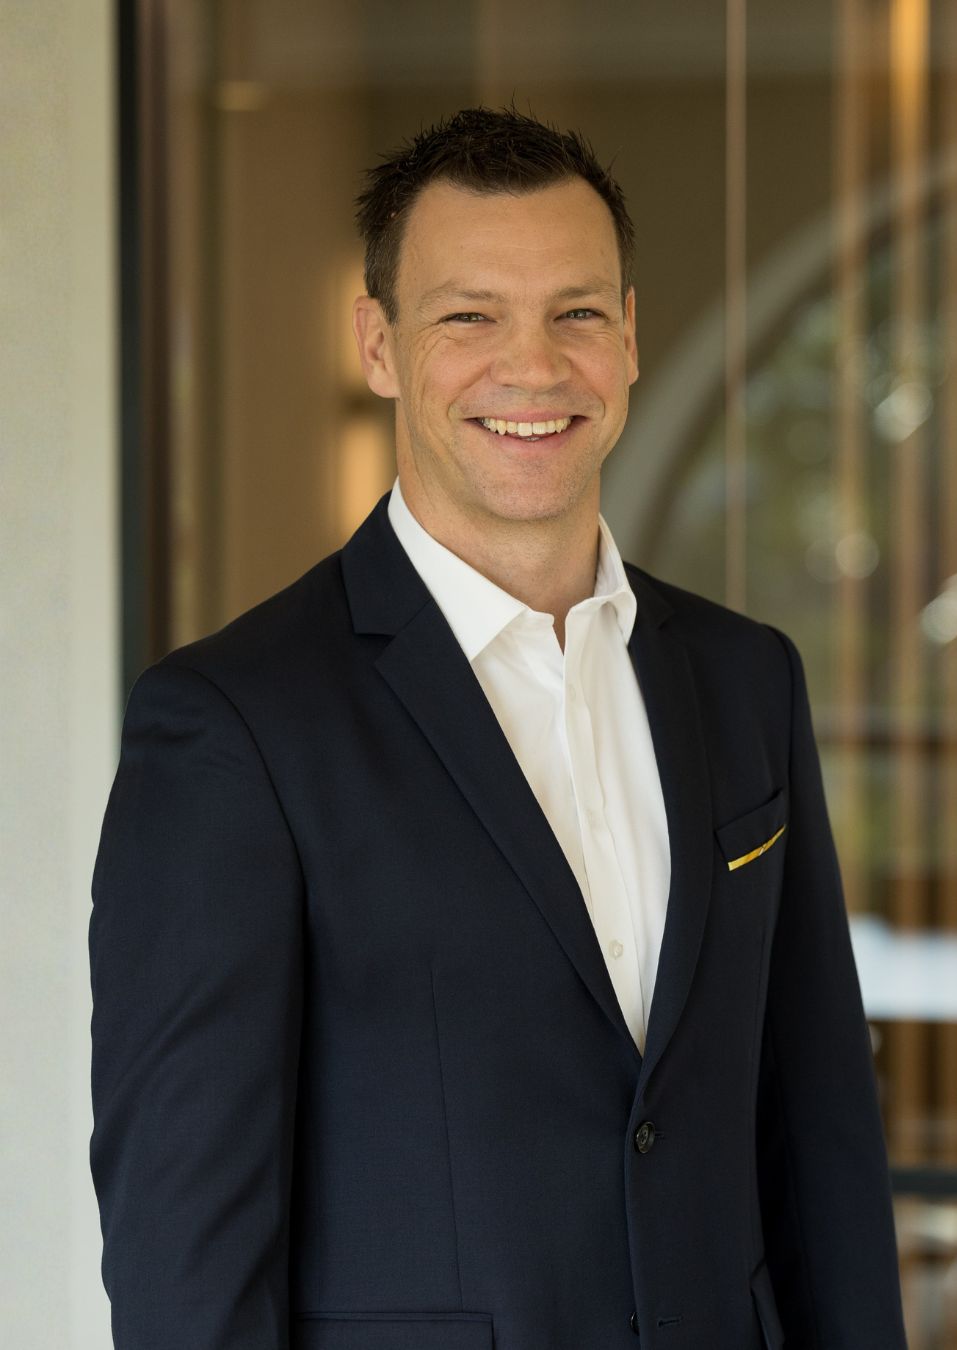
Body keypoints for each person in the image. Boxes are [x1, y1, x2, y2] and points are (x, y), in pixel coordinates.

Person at [89, 107, 908, 1350]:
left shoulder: (749, 680)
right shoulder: (230, 729)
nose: (533, 367)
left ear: (629, 335)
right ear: (378, 344)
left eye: (575, 313)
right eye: (469, 317)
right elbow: (183, 1262)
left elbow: (821, 1139)